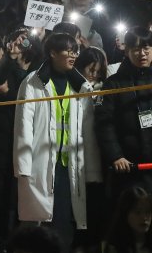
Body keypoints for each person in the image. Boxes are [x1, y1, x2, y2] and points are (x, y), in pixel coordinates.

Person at [13, 33, 102, 252]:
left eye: (75, 51)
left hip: (71, 165)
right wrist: (23, 166)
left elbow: (87, 131)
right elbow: (23, 126)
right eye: (68, 51)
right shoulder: (33, 82)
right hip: (42, 162)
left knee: (67, 222)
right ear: (52, 53)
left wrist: (91, 170)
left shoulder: (81, 86)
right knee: (44, 224)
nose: (73, 55)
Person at [95, 26, 152, 196]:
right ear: (126, 51)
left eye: (147, 48)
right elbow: (104, 123)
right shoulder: (113, 83)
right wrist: (116, 155)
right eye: (136, 49)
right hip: (128, 165)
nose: (142, 53)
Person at [104, 187, 152, 253]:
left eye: (147, 212)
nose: (144, 217)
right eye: (137, 212)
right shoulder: (114, 247)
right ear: (125, 214)